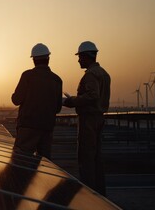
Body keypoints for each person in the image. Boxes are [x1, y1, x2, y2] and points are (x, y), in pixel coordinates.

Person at [63, 41, 111, 196]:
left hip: (89, 119)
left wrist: (72, 101)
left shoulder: (91, 74)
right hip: (99, 118)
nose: (78, 60)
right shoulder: (103, 73)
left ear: (87, 56)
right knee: (97, 158)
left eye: (80, 57)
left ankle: (89, 195)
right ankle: (100, 194)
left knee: (87, 159)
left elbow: (92, 95)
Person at [11, 43, 63, 160]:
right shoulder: (57, 80)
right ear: (48, 59)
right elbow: (58, 108)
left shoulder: (27, 76)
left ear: (33, 60)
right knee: (45, 165)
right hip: (47, 127)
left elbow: (16, 100)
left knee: (20, 161)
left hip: (27, 127)